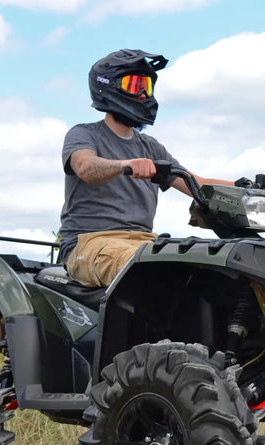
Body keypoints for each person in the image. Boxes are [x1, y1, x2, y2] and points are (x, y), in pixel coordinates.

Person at [58, 49, 238, 288]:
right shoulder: (84, 134)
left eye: (147, 86)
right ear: (107, 87)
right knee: (144, 272)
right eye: (134, 85)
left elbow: (197, 183)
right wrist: (126, 166)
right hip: (90, 243)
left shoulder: (150, 147)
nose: (143, 94)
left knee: (213, 272)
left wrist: (247, 188)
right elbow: (85, 167)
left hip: (144, 242)